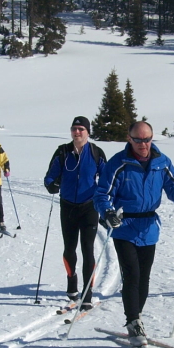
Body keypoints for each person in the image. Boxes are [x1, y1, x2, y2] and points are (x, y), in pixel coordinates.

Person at [93, 121, 174, 346]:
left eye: (147, 139)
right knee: (132, 274)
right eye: (138, 140)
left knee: (144, 277)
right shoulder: (118, 163)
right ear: (129, 139)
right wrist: (108, 213)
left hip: (149, 227)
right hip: (124, 226)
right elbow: (102, 194)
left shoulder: (162, 163)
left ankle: (137, 316)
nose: (143, 144)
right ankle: (133, 321)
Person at [44, 116, 107, 309]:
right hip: (68, 206)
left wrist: (105, 198)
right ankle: (72, 282)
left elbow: (107, 179)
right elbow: (49, 176)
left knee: (88, 249)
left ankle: (87, 292)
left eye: (81, 129)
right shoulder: (62, 152)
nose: (77, 132)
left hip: (89, 207)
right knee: (69, 248)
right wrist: (52, 185)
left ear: (88, 132)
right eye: (74, 129)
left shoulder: (96, 152)